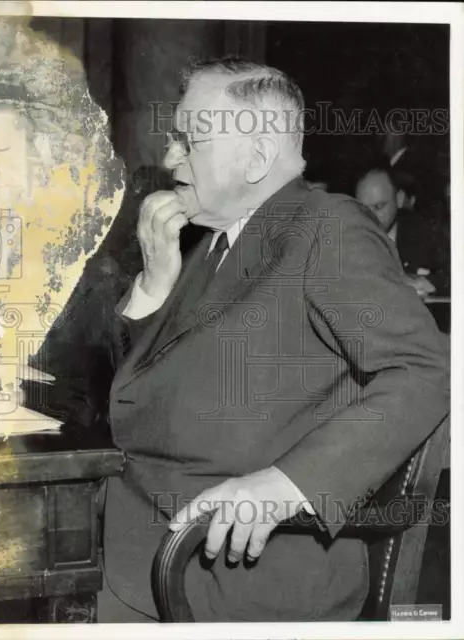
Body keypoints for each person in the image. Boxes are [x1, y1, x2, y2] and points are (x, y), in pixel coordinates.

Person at [99, 58, 449, 623]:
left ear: (257, 156)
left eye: (190, 140)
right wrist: (154, 284)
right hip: (132, 545)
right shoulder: (212, 243)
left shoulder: (324, 226)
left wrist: (287, 486)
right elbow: (133, 399)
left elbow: (424, 371)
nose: (168, 159)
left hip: (221, 576)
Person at [355, 164, 450, 305]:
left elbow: (455, 275)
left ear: (399, 199)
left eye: (379, 207)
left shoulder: (427, 233)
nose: (370, 217)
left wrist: (425, 282)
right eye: (363, 209)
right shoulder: (348, 237)